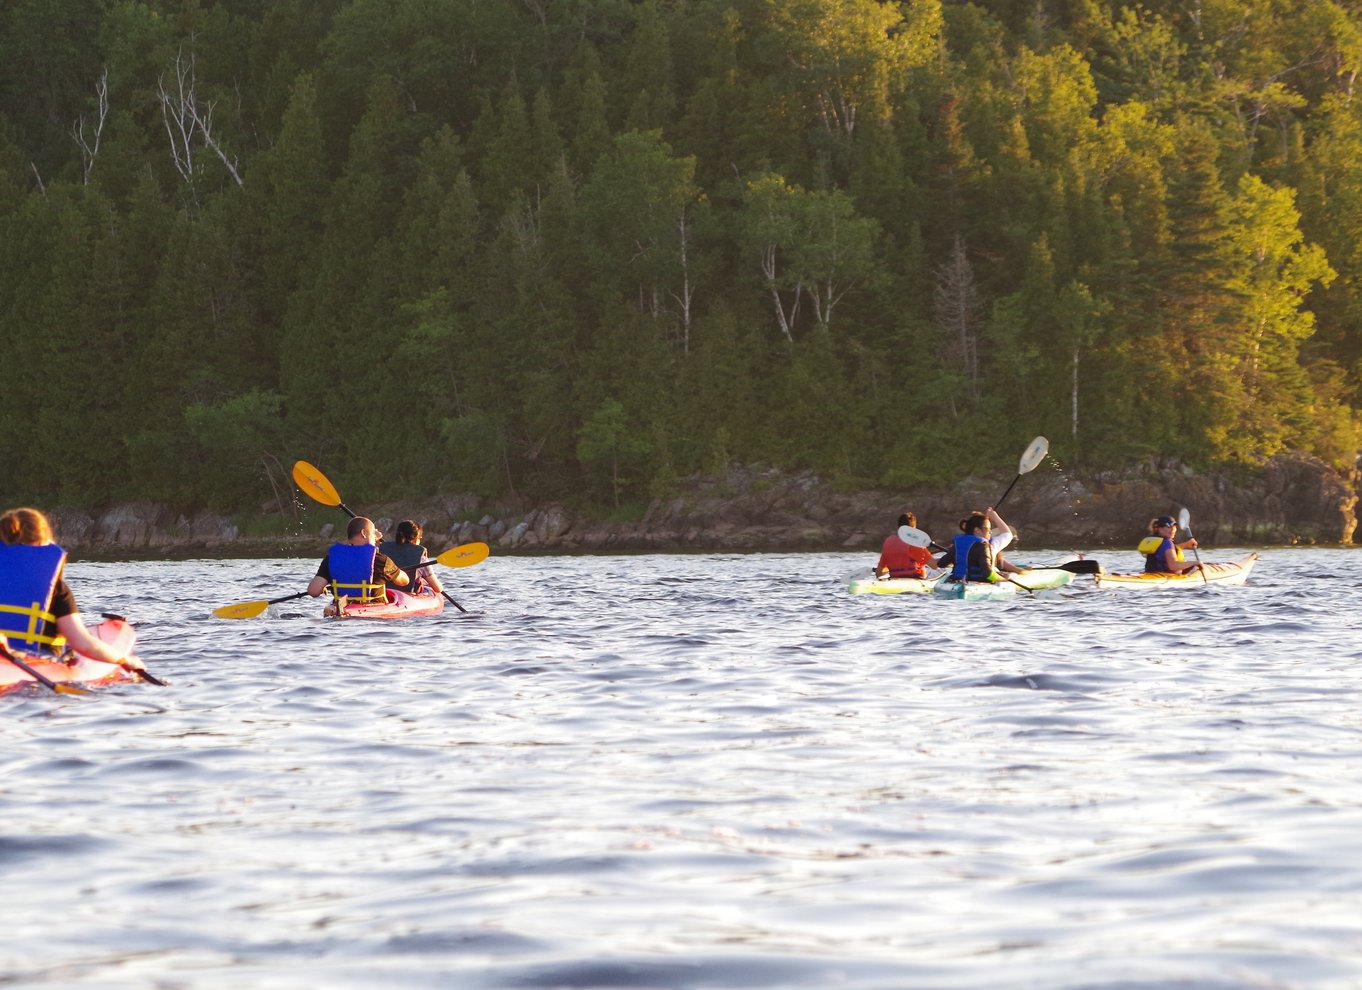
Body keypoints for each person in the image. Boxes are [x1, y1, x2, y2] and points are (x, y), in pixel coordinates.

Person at [0, 507, 142, 667]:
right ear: (42, 542)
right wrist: (124, 660)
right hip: (35, 665)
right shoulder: (57, 589)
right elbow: (82, 643)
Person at [307, 516, 409, 614]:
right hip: (372, 615)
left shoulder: (331, 559)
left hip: (341, 609)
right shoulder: (381, 560)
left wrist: (323, 586)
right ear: (363, 533)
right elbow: (404, 581)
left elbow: (313, 591)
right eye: (373, 533)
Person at [934, 510, 1030, 583]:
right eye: (988, 529)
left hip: (958, 580)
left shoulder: (958, 543)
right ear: (977, 530)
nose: (990, 532)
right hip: (979, 583)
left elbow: (941, 564)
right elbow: (988, 574)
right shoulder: (986, 545)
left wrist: (957, 556)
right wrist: (1004, 579)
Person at [379, 519, 444, 597]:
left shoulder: (381, 551)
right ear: (416, 539)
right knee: (428, 590)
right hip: (407, 598)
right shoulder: (421, 558)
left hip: (384, 595)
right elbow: (438, 588)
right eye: (420, 538)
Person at [875, 512, 936, 579]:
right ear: (913, 529)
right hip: (916, 582)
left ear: (899, 527)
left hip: (894, 581)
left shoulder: (888, 542)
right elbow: (935, 566)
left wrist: (896, 569)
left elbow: (879, 573)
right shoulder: (915, 543)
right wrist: (948, 559)